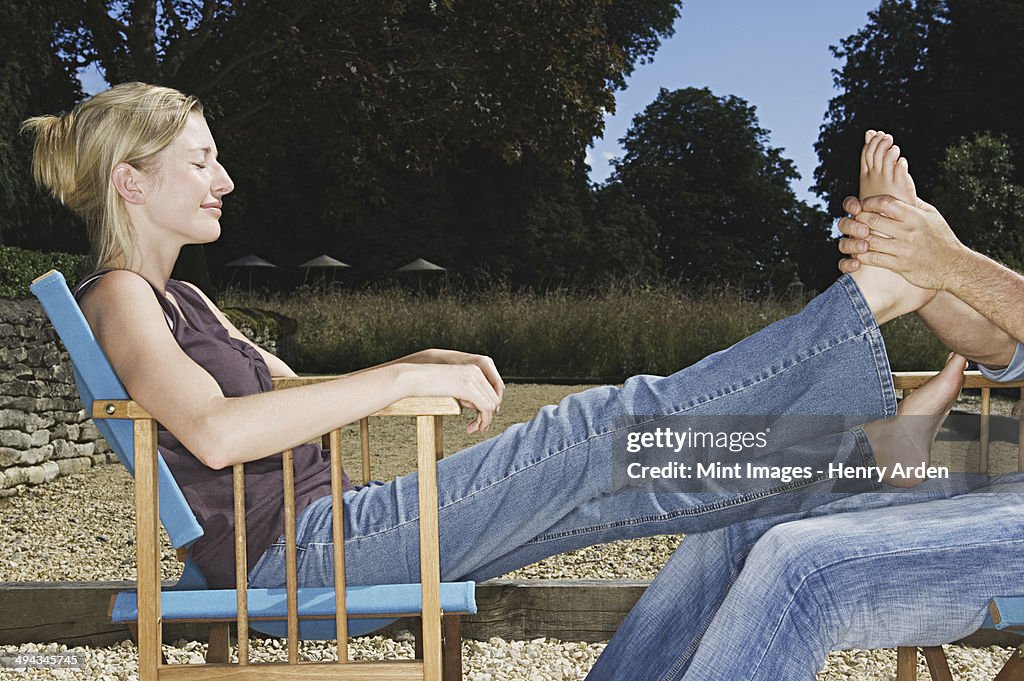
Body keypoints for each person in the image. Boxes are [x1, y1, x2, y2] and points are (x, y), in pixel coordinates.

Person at [21, 83, 962, 620]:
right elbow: (219, 436)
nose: (225, 178)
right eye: (201, 161)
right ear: (131, 183)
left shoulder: (183, 298)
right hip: (309, 555)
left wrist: (412, 355)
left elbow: (291, 398)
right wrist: (399, 376)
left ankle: (868, 460)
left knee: (631, 479)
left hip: (343, 528)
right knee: (601, 424)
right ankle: (862, 306)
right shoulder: (120, 298)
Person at [584, 131, 1024, 681]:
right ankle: (891, 443)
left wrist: (950, 261)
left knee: (799, 565)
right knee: (738, 520)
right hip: (1004, 482)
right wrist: (912, 263)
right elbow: (1002, 344)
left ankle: (888, 446)